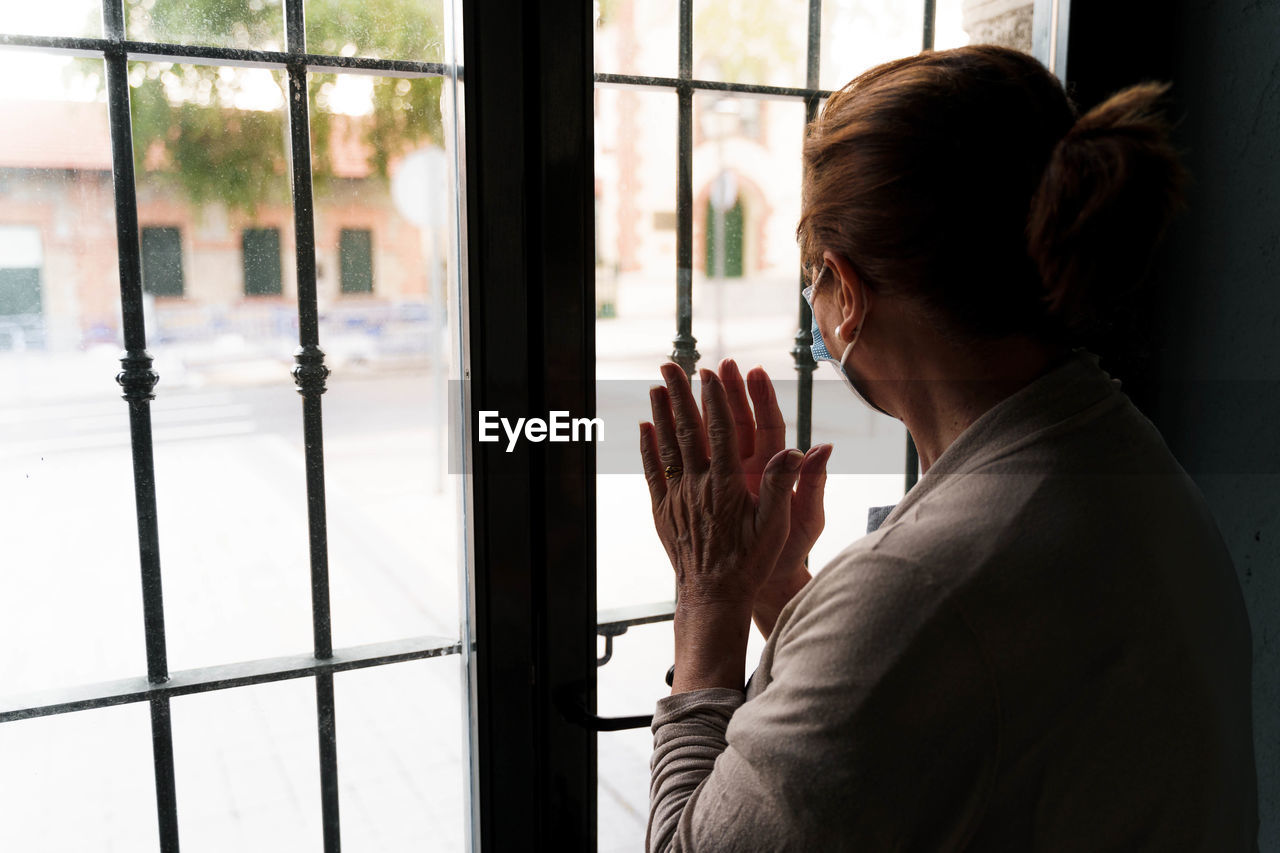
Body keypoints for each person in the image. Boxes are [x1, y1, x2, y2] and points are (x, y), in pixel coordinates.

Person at [638, 45, 1258, 852]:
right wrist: (782, 589)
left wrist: (708, 597)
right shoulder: (1119, 457)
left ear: (846, 295)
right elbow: (931, 699)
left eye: (812, 281)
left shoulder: (920, 585)